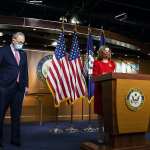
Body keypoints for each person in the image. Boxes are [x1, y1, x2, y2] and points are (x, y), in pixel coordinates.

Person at [0, 32, 28, 148]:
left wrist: (26, 85)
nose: (21, 44)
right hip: (4, 88)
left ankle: (15, 139)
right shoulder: (3, 51)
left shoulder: (23, 54)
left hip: (19, 89)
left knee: (16, 116)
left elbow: (25, 70)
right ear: (13, 40)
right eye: (20, 42)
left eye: (23, 42)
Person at [93, 45, 115, 143]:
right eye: (105, 51)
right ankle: (100, 136)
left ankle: (108, 136)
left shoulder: (112, 63)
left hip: (110, 92)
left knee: (109, 116)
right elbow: (94, 77)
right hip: (100, 92)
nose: (107, 52)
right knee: (101, 116)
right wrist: (103, 76)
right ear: (101, 52)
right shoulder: (97, 63)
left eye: (108, 51)